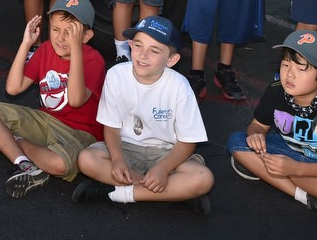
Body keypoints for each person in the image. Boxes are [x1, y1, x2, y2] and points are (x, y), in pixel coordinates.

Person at [72, 16, 213, 213]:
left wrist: (163, 169)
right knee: (87, 159)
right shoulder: (116, 75)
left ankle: (117, 193)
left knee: (203, 178)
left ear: (171, 60)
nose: (142, 55)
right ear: (129, 44)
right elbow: (111, 127)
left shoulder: (180, 86)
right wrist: (118, 158)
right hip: (127, 148)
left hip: (167, 152)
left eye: (154, 50)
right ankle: (173, 192)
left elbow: (188, 142)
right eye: (138, 45)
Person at [0, 0, 105, 199]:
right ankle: (25, 165)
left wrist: (76, 52)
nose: (61, 38)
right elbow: (13, 88)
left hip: (79, 132)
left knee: (59, 165)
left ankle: (8, 139)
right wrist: (26, 44)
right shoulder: (45, 50)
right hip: (46, 120)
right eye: (55, 29)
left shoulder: (93, 60)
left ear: (86, 37)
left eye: (70, 32)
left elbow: (76, 100)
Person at [227, 30, 317, 227]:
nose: (289, 74)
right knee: (236, 142)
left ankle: (269, 172)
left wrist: (294, 168)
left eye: (301, 68)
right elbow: (257, 125)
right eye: (286, 64)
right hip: (286, 150)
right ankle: (305, 197)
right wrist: (256, 135)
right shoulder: (276, 90)